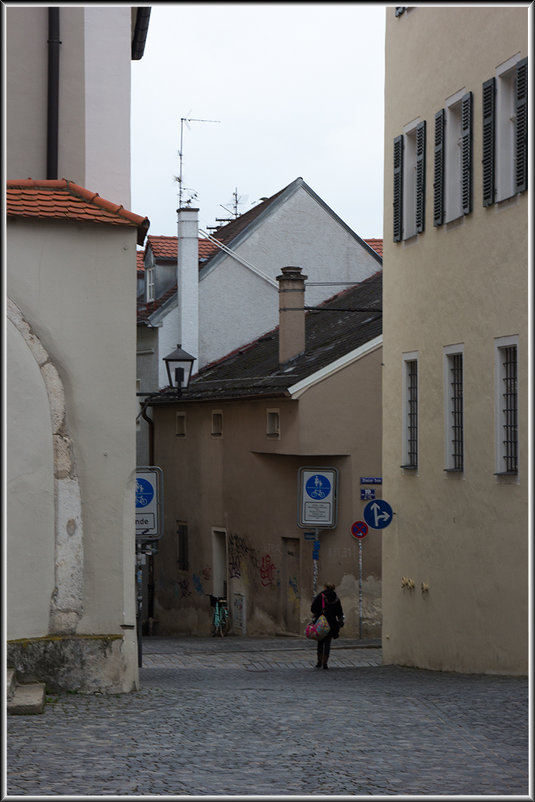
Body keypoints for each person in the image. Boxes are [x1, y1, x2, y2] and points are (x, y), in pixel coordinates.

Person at [311, 583, 344, 669]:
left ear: (325, 587)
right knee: (328, 643)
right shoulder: (336, 598)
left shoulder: (321, 596)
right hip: (332, 623)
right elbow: (340, 612)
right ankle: (325, 663)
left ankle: (319, 662)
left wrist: (317, 612)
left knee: (320, 642)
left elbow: (313, 608)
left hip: (321, 622)